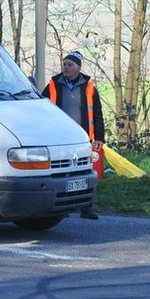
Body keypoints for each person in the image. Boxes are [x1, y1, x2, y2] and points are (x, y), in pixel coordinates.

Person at [42, 51, 105, 220]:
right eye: (64, 64)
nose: (66, 67)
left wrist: (99, 137)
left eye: (70, 65)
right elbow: (41, 109)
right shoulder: (53, 84)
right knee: (62, 173)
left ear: (78, 67)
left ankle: (86, 208)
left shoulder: (89, 87)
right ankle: (62, 208)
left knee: (84, 172)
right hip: (59, 138)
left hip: (83, 138)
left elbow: (98, 113)